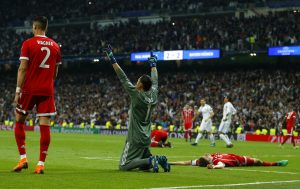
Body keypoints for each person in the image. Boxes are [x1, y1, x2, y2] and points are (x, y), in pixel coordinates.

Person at [103, 45, 170, 173]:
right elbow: (155, 80)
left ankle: (151, 160)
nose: (136, 81)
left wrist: (112, 58)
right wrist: (153, 64)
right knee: (143, 167)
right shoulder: (154, 93)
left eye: (138, 80)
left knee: (124, 166)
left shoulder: (136, 94)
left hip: (135, 137)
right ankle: (159, 159)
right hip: (146, 136)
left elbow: (123, 78)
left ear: (141, 85)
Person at [13, 16, 61, 174]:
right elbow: (55, 73)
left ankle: (23, 158)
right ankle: (40, 164)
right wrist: (46, 81)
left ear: (35, 27)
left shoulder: (28, 43)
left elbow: (22, 69)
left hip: (29, 89)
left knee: (19, 119)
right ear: (45, 28)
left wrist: (18, 91)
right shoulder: (55, 46)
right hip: (47, 90)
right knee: (45, 124)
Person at [170, 153, 288, 169]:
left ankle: (276, 163)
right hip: (241, 161)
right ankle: (277, 164)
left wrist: (171, 162)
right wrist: (214, 167)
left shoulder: (210, 156)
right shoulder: (215, 161)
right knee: (258, 162)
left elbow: (186, 162)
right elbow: (221, 165)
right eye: (205, 156)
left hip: (238, 156)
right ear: (208, 161)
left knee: (259, 161)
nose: (206, 154)